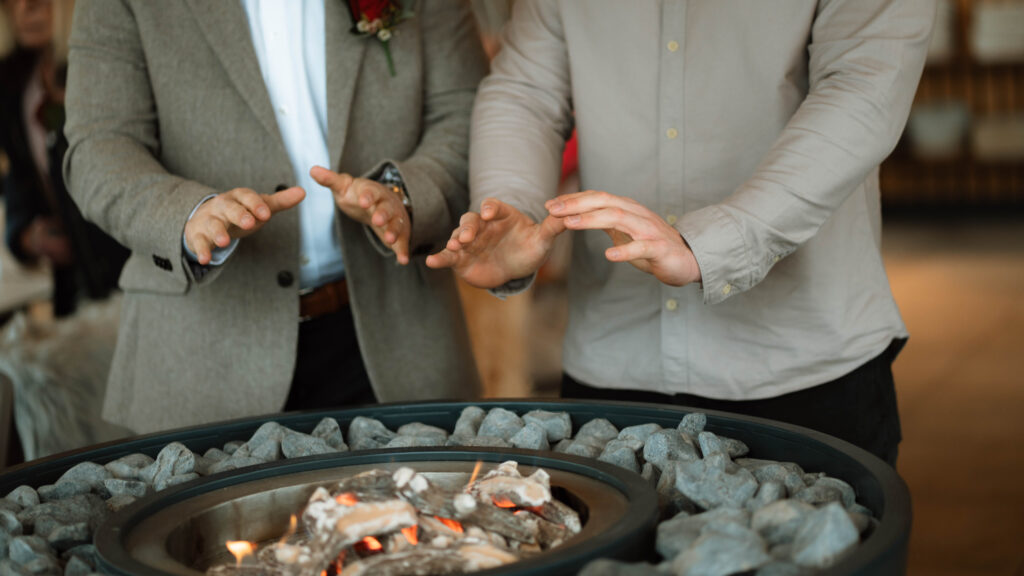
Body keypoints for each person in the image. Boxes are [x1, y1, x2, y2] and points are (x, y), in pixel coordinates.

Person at [427, 0, 937, 466]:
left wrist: (711, 245)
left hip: (804, 362)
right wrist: (510, 204)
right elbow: (527, 91)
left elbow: (862, 90)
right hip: (613, 362)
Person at [63, 0, 485, 434]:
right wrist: (185, 214)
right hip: (201, 357)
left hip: (401, 344)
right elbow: (99, 146)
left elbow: (466, 111)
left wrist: (404, 193)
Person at [1, 0, 127, 317]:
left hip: (135, 280)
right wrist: (28, 235)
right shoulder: (15, 85)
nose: (29, 8)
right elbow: (19, 181)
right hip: (80, 294)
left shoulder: (108, 67)